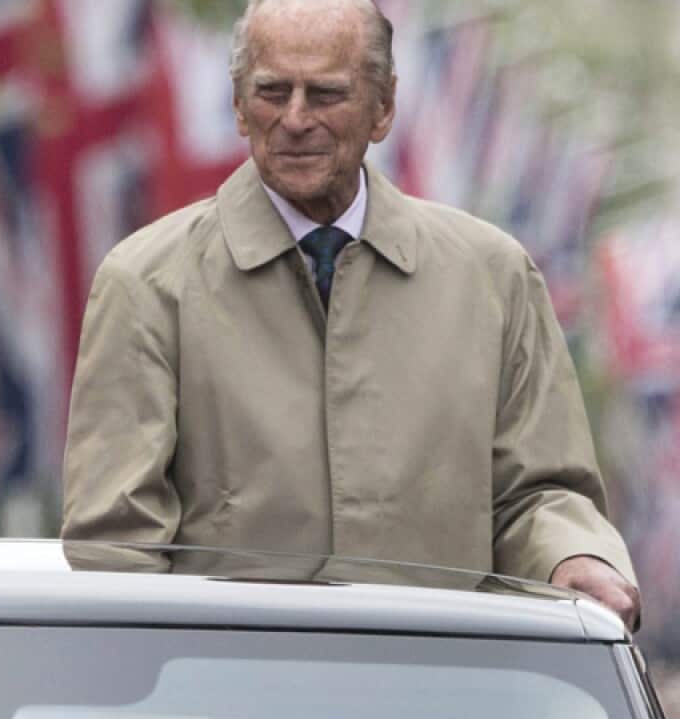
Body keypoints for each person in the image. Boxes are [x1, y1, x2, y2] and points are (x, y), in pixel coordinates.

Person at [61, 0, 641, 628]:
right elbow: (118, 550)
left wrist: (575, 559)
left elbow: (541, 495)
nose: (295, 119)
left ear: (385, 106)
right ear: (236, 104)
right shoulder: (146, 283)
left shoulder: (494, 277)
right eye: (271, 92)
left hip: (442, 685)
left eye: (327, 93)